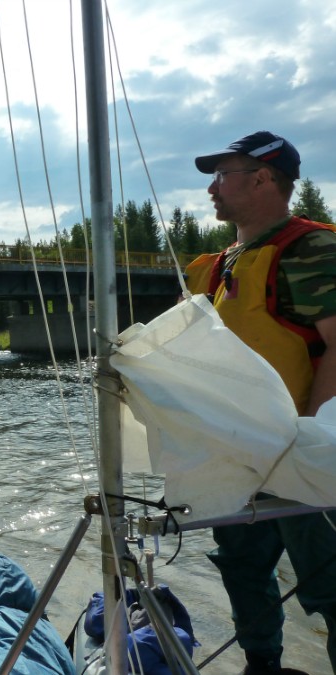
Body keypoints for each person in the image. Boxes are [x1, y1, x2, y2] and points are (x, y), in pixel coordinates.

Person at [185, 130, 336, 674]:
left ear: (264, 178)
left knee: (329, 584)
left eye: (223, 174)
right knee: (243, 570)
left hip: (305, 457)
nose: (212, 188)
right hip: (238, 455)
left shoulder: (312, 248)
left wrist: (312, 441)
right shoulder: (226, 260)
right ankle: (263, 666)